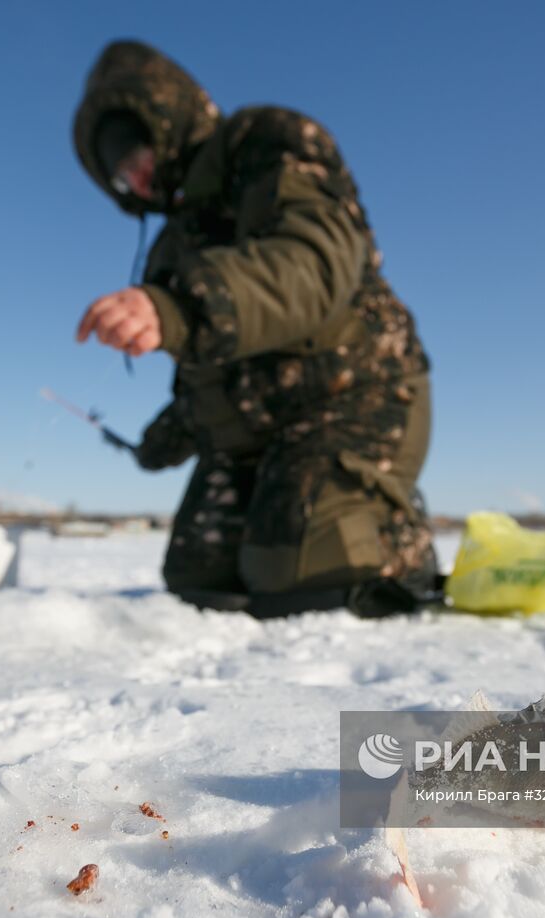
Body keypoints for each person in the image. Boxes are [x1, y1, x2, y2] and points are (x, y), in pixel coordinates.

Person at [72, 40, 438, 618]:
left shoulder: (265, 141)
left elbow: (313, 264)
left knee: (297, 569)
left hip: (359, 394)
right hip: (263, 431)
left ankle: (398, 546)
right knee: (196, 573)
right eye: (121, 176)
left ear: (168, 119)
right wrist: (162, 439)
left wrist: (180, 307)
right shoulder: (173, 245)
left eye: (137, 154)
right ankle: (317, 507)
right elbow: (206, 381)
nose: (137, 178)